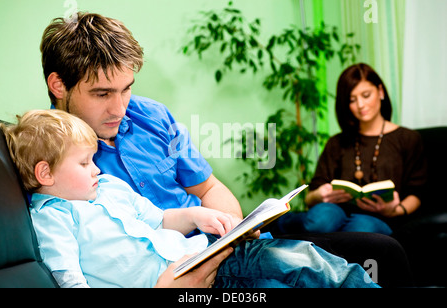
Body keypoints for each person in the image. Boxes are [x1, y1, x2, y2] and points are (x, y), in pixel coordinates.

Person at [39, 12, 412, 287]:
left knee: (381, 253)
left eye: (127, 88)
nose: (120, 108)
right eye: (102, 94)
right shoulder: (51, 159)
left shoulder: (150, 115)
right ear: (59, 84)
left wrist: (234, 227)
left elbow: (209, 189)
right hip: (179, 272)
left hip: (219, 244)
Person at [1, 109, 379, 288]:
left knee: (303, 259)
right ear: (45, 174)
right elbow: (70, 281)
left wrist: (199, 215)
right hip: (180, 283)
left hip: (203, 254)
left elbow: (160, 220)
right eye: (85, 163)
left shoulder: (109, 188)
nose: (97, 169)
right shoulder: (51, 219)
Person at [275, 63, 427, 236]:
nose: (360, 105)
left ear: (380, 92)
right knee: (321, 220)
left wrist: (396, 210)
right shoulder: (337, 142)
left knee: (361, 229)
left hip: (382, 217)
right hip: (335, 212)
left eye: (366, 95)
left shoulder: (408, 138)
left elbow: (417, 193)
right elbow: (311, 197)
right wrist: (321, 195)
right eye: (352, 100)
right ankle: (278, 222)